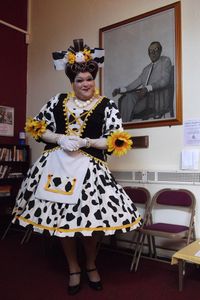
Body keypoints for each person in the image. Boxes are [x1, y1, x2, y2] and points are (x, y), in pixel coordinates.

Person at [12, 39, 142, 295]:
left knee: (91, 223)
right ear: (72, 82)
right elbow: (37, 128)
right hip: (57, 168)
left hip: (91, 172)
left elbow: (116, 138)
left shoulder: (107, 105)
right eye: (80, 80)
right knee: (63, 221)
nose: (86, 84)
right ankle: (73, 267)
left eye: (89, 80)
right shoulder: (56, 101)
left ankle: (91, 264)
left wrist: (88, 141)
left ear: (94, 80)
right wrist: (59, 138)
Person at [112, 41, 173, 122]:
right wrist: (120, 90)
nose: (153, 53)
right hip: (144, 100)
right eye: (150, 51)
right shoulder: (146, 69)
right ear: (148, 54)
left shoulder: (165, 61)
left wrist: (147, 88)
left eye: (156, 49)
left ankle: (124, 124)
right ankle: (124, 125)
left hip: (157, 99)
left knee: (127, 108)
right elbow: (135, 84)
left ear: (160, 50)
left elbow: (164, 81)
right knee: (128, 97)